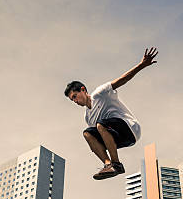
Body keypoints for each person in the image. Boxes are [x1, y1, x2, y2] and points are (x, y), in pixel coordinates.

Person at [64, 47, 158, 180]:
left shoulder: (100, 94)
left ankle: (116, 164)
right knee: (87, 133)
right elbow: (99, 141)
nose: (74, 101)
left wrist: (141, 65)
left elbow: (122, 80)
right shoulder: (87, 117)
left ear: (83, 90)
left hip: (130, 128)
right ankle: (108, 165)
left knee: (99, 125)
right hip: (119, 138)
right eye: (72, 99)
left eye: (75, 96)